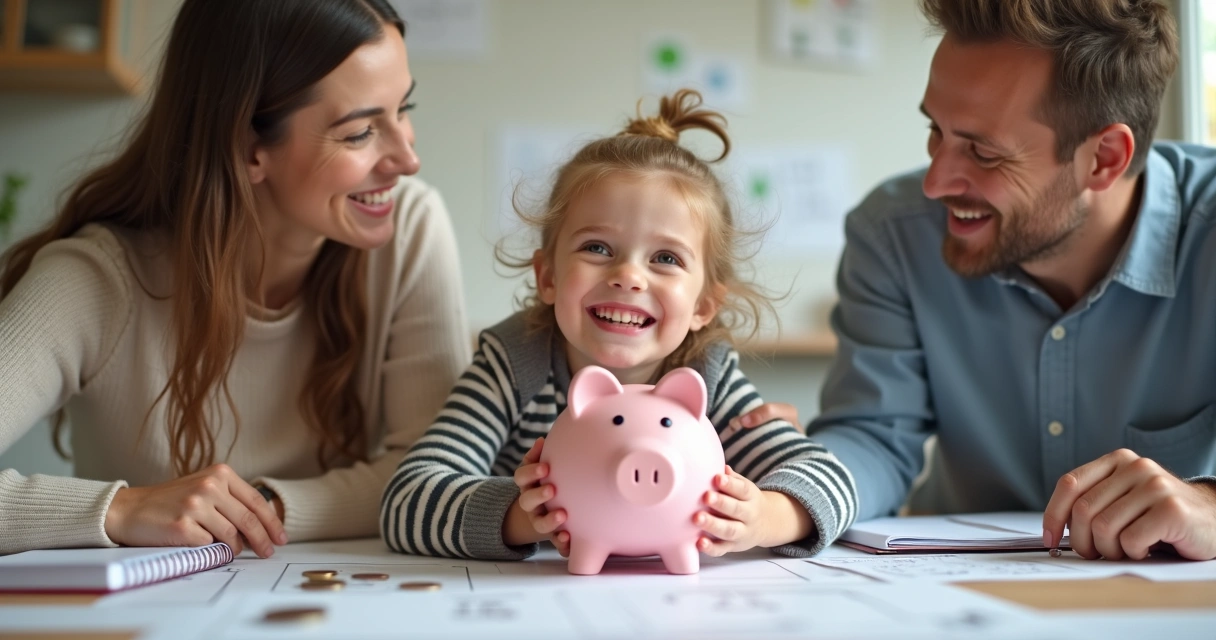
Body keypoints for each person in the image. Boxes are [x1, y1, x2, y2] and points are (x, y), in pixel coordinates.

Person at [0, 0, 470, 557]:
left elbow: (432, 473)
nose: (407, 158)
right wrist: (123, 508)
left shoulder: (410, 228)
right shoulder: (94, 281)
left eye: (403, 108)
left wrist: (259, 510)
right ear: (249, 148)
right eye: (361, 131)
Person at [805, 0, 1216, 561]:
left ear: (1104, 158)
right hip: (944, 591)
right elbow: (872, 436)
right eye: (936, 131)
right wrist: (781, 491)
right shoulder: (893, 233)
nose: (935, 182)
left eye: (982, 151)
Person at [380, 90, 858, 561]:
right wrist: (528, 518)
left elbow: (832, 480)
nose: (628, 276)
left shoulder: (706, 375)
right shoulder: (514, 360)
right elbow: (407, 499)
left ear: (704, 306)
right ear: (547, 276)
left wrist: (764, 518)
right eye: (597, 248)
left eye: (665, 258)